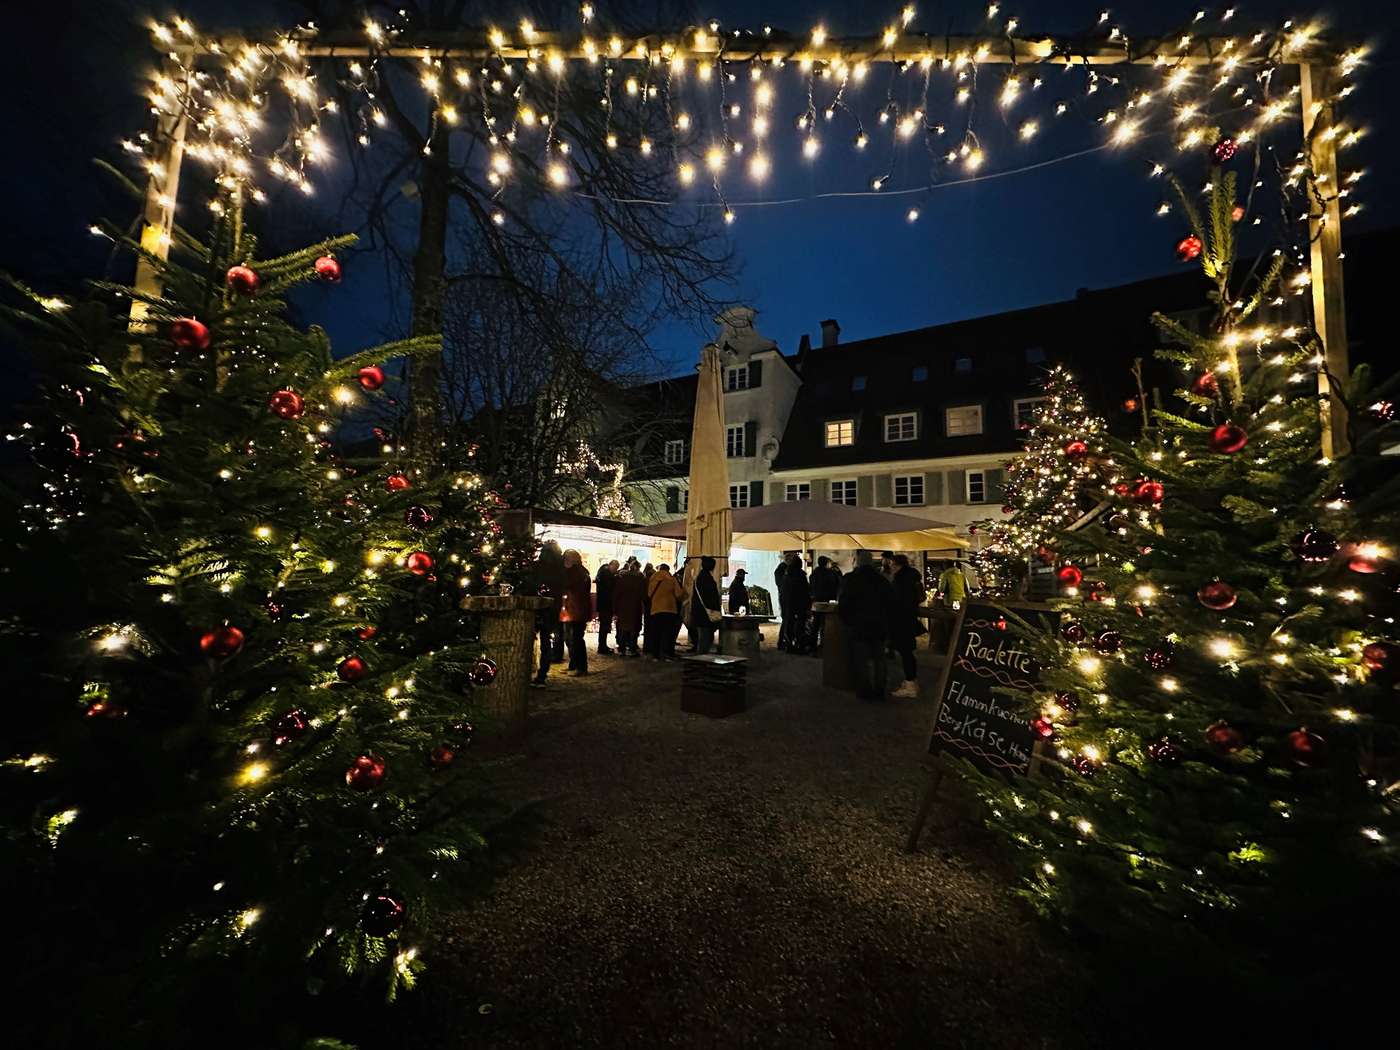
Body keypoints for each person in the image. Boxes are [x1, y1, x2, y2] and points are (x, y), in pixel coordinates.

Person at [839, 550, 895, 701]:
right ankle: (879, 690)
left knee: (861, 660)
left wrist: (847, 622)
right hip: (879, 625)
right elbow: (890, 603)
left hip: (858, 625)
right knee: (879, 659)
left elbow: (843, 604)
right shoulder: (882, 580)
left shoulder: (850, 579)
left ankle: (865, 691)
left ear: (857, 561)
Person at [531, 540, 567, 687]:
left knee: (533, 639)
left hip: (536, 606)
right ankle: (542, 675)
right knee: (547, 640)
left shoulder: (538, 567)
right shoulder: (560, 568)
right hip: (552, 606)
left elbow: (532, 583)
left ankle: (532, 672)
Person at [889, 554, 924, 698]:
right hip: (909, 619)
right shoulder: (911, 577)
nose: (890, 567)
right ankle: (911, 681)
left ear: (898, 565)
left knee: (905, 652)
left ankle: (910, 685)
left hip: (902, 620)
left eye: (892, 564)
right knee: (908, 651)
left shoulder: (901, 580)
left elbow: (898, 601)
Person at [561, 549, 593, 675]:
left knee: (576, 639)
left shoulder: (577, 573)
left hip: (576, 610)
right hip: (573, 609)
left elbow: (568, 585)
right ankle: (574, 664)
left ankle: (581, 667)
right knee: (570, 638)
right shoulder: (580, 572)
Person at [646, 563, 684, 659]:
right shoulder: (672, 579)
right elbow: (679, 595)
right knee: (667, 633)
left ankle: (656, 655)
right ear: (668, 570)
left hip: (655, 610)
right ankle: (666, 653)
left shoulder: (652, 579)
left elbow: (649, 594)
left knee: (656, 633)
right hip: (670, 609)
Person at [688, 556, 723, 655]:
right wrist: (716, 609)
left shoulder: (701, 577)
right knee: (705, 638)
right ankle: (702, 661)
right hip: (705, 613)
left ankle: (702, 659)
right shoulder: (706, 578)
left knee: (705, 637)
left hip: (701, 613)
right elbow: (710, 597)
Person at [779, 553, 812, 655]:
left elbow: (783, 591)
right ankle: (799, 644)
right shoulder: (801, 575)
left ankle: (788, 644)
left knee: (789, 623)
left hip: (788, 604)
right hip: (799, 604)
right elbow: (804, 591)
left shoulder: (786, 575)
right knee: (800, 625)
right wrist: (807, 604)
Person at [612, 558, 646, 657]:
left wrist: (615, 609)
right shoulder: (640, 580)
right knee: (634, 628)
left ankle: (622, 649)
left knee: (623, 627)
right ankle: (632, 648)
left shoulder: (621, 578)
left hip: (622, 607)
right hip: (635, 607)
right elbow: (643, 594)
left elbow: (616, 594)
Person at [810, 554, 840, 650]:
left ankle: (813, 645)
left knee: (815, 624)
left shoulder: (813, 574)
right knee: (824, 624)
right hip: (827, 601)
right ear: (827, 563)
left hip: (816, 602)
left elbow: (811, 587)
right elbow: (836, 584)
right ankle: (824, 645)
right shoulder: (830, 573)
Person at [595, 558, 619, 655]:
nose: (616, 570)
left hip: (603, 604)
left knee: (604, 626)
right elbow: (609, 588)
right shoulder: (606, 574)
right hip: (605, 604)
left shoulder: (603, 573)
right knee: (604, 626)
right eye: (615, 568)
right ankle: (602, 647)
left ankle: (602, 645)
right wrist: (615, 578)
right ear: (611, 565)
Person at [773, 557, 789, 650]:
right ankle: (782, 641)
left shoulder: (781, 569)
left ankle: (783, 641)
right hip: (785, 597)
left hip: (784, 596)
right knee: (786, 619)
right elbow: (781, 583)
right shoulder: (782, 570)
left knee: (786, 620)